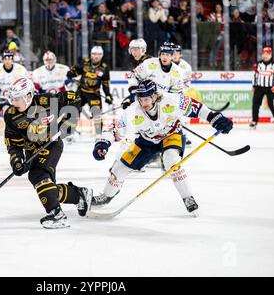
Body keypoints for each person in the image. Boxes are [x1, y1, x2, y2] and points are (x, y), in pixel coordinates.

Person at [91, 79, 233, 216]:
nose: (143, 102)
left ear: (154, 96)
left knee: (171, 160)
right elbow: (113, 129)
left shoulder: (172, 100)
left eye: (146, 99)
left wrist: (214, 118)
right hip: (146, 141)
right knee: (119, 169)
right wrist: (103, 144)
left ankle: (188, 197)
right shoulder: (133, 111)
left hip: (171, 135)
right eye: (140, 99)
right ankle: (106, 196)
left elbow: (198, 108)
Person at [4, 77, 92, 229]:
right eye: (12, 98)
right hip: (32, 148)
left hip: (51, 144)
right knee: (47, 186)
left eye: (17, 98)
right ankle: (79, 195)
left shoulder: (48, 100)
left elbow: (75, 98)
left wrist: (68, 124)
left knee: (37, 175)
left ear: (29, 96)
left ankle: (57, 214)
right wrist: (17, 161)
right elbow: (13, 143)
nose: (14, 102)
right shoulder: (11, 115)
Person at [65, 46, 113, 138]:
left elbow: (105, 83)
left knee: (97, 114)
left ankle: (99, 135)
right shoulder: (84, 62)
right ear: (91, 54)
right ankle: (70, 132)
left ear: (102, 55)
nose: (96, 56)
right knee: (73, 110)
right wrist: (71, 73)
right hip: (81, 91)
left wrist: (108, 95)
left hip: (94, 93)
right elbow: (74, 72)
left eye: (99, 54)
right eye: (94, 54)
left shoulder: (104, 67)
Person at [121, 41, 184, 110]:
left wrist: (162, 97)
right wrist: (133, 94)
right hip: (145, 102)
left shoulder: (178, 72)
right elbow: (134, 76)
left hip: (163, 106)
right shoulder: (150, 63)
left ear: (172, 56)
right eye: (163, 54)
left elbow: (176, 95)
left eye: (167, 55)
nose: (164, 57)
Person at [250, 47, 274, 129]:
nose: (265, 56)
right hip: (259, 87)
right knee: (255, 105)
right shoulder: (258, 64)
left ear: (270, 55)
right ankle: (254, 121)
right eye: (263, 54)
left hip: (270, 88)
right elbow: (255, 76)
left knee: (273, 105)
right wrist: (254, 85)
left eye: (267, 54)